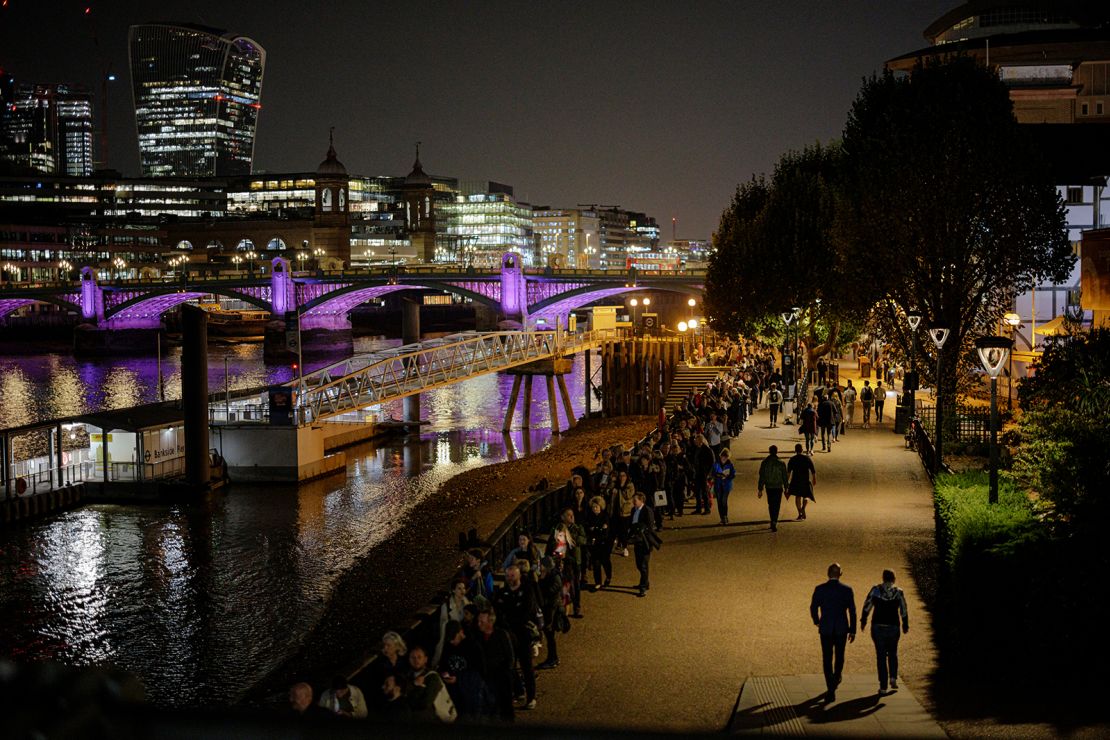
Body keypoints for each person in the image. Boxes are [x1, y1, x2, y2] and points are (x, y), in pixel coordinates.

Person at [491, 564, 540, 711]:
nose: (509, 578)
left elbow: (526, 612)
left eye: (512, 575)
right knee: (509, 665)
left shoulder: (526, 591)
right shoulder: (502, 593)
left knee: (526, 667)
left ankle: (531, 697)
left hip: (522, 635)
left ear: (519, 576)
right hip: (507, 635)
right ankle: (518, 691)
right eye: (508, 575)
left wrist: (509, 615)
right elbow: (498, 612)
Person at [809, 563, 857, 703]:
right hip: (841, 627)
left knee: (827, 658)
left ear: (828, 573)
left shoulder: (820, 589)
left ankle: (830, 686)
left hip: (826, 627)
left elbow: (813, 607)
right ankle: (836, 678)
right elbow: (852, 611)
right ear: (840, 574)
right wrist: (852, 629)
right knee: (840, 655)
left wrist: (817, 620)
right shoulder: (847, 590)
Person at [860, 569, 910, 694]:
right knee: (893, 652)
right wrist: (905, 624)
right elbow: (903, 609)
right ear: (894, 578)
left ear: (883, 578)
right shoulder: (899, 592)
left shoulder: (876, 590)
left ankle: (883, 686)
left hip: (878, 626)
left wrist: (863, 620)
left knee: (881, 656)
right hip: (893, 626)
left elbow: (867, 606)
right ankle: (893, 677)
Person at [475, 609, 516, 721]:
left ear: (490, 622)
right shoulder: (478, 637)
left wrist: (506, 673)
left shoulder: (501, 635)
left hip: (501, 678)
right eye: (478, 621)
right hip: (486, 678)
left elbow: (510, 657)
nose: (479, 624)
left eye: (481, 622)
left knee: (505, 707)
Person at [627, 492, 661, 597]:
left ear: (641, 500)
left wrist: (640, 531)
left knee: (643, 565)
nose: (633, 502)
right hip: (637, 540)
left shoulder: (647, 510)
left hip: (645, 541)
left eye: (635, 500)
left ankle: (643, 587)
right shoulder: (634, 510)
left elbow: (650, 526)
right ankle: (645, 583)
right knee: (639, 563)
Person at [535, 556, 565, 669]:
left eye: (541, 565)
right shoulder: (547, 575)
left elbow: (552, 591)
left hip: (551, 610)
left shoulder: (554, 576)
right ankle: (552, 658)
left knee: (550, 635)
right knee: (549, 636)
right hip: (548, 608)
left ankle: (553, 658)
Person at [757, 445, 788, 532]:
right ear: (776, 451)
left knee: (771, 504)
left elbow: (762, 476)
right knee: (777, 504)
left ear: (769, 451)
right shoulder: (781, 463)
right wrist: (786, 487)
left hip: (769, 487)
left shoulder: (764, 463)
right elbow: (784, 477)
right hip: (778, 486)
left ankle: (772, 519)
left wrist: (760, 489)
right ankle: (775, 520)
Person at [584, 495, 613, 589]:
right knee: (596, 563)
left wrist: (596, 529)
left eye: (596, 507)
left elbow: (605, 531)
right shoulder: (590, 516)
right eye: (593, 507)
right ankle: (598, 582)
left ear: (600, 506)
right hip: (595, 544)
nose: (594, 509)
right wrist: (599, 528)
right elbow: (588, 529)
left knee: (606, 562)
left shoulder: (605, 515)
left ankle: (608, 577)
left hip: (605, 544)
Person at [786, 443, 816, 520]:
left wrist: (786, 482)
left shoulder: (792, 459)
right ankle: (803, 508)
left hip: (795, 480)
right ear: (802, 450)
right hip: (805, 480)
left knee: (798, 496)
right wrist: (814, 479)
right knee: (806, 496)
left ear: (795, 450)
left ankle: (800, 513)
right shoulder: (807, 458)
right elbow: (812, 470)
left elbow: (788, 473)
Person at [712, 448, 736, 525]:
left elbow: (733, 474)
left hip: (726, 485)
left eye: (725, 457)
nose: (724, 458)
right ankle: (722, 518)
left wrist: (727, 477)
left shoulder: (730, 464)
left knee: (724, 501)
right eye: (723, 456)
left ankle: (725, 517)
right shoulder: (716, 463)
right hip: (718, 485)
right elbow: (713, 473)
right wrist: (718, 475)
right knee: (719, 502)